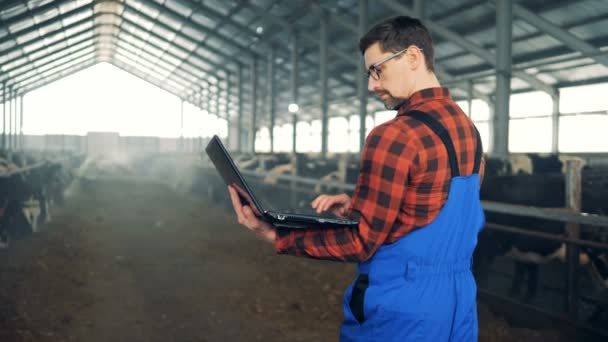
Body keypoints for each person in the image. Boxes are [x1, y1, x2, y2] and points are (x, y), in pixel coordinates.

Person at [228, 15, 485, 341]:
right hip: (458, 304)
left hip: (402, 308)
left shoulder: (394, 135)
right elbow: (435, 205)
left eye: (378, 70)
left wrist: (276, 235)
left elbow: (361, 243)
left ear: (412, 57)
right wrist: (364, 205)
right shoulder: (469, 130)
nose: (372, 85)